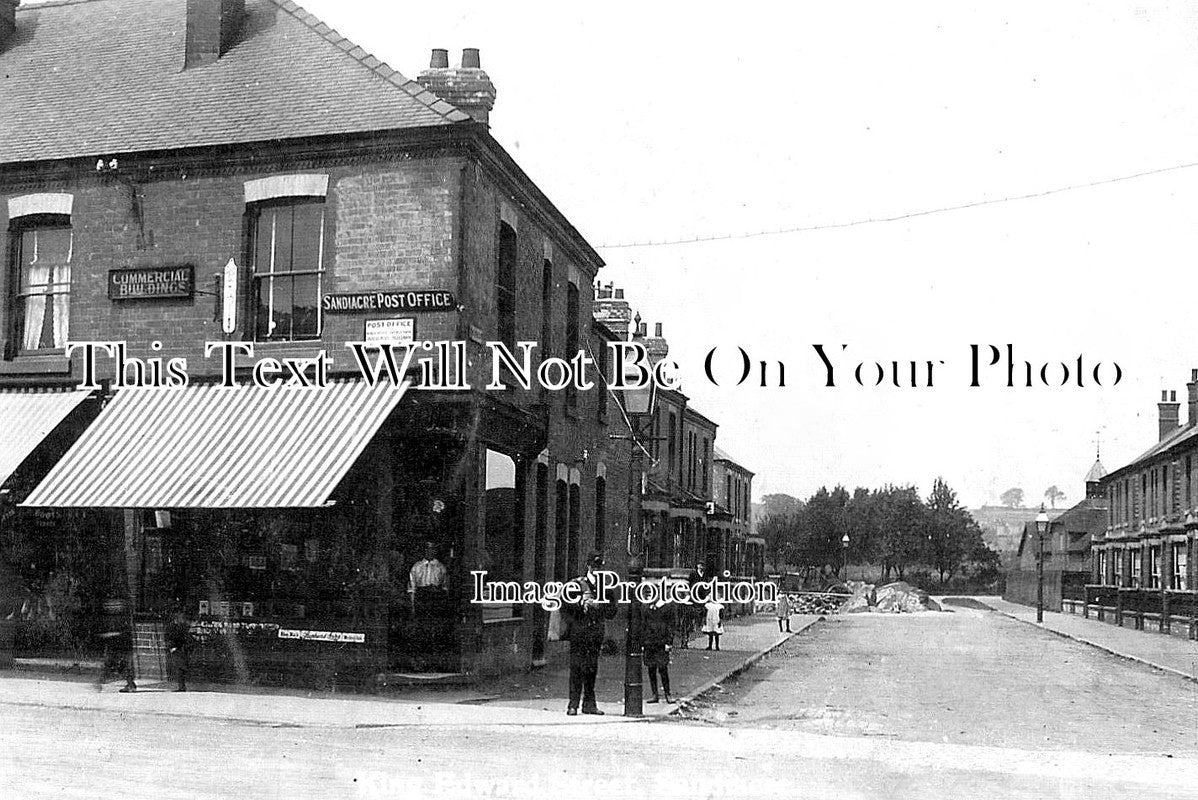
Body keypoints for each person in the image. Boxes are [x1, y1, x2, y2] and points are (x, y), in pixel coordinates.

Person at [561, 551, 617, 715]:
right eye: (594, 566)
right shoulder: (576, 584)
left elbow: (612, 611)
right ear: (588, 566)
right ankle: (573, 704)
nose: (596, 570)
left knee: (592, 668)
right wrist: (581, 605)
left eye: (599, 567)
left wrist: (600, 605)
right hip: (579, 632)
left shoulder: (606, 587)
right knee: (576, 667)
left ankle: (589, 704)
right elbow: (565, 608)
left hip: (595, 633)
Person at [94, 596, 136, 693]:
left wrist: (109, 635)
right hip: (114, 645)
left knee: (122, 666)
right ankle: (100, 683)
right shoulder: (112, 618)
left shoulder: (122, 618)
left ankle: (130, 685)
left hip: (122, 646)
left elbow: (123, 632)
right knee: (110, 665)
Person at [642, 596, 675, 704]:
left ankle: (667, 694)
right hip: (649, 643)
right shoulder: (647, 608)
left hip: (661, 642)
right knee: (651, 669)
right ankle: (654, 694)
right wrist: (643, 642)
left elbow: (671, 626)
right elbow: (644, 625)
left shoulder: (667, 608)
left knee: (663, 669)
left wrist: (669, 642)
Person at [408, 541, 448, 617]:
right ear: (424, 550)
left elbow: (445, 587)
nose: (429, 551)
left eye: (432, 549)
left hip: (436, 599)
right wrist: (412, 606)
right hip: (422, 598)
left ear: (435, 551)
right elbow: (412, 588)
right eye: (427, 549)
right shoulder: (416, 567)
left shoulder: (441, 567)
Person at [165, 603, 191, 692]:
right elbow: (169, 636)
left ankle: (181, 686)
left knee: (180, 667)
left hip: (181, 648)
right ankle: (181, 685)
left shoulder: (182, 625)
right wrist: (171, 647)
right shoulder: (173, 625)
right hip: (176, 647)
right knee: (179, 666)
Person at [680, 562, 706, 648]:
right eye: (700, 565)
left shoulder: (704, 574)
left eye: (702, 565)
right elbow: (690, 583)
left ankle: (695, 624)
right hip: (693, 598)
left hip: (700, 597)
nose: (701, 566)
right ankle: (685, 640)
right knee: (686, 623)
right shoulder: (693, 573)